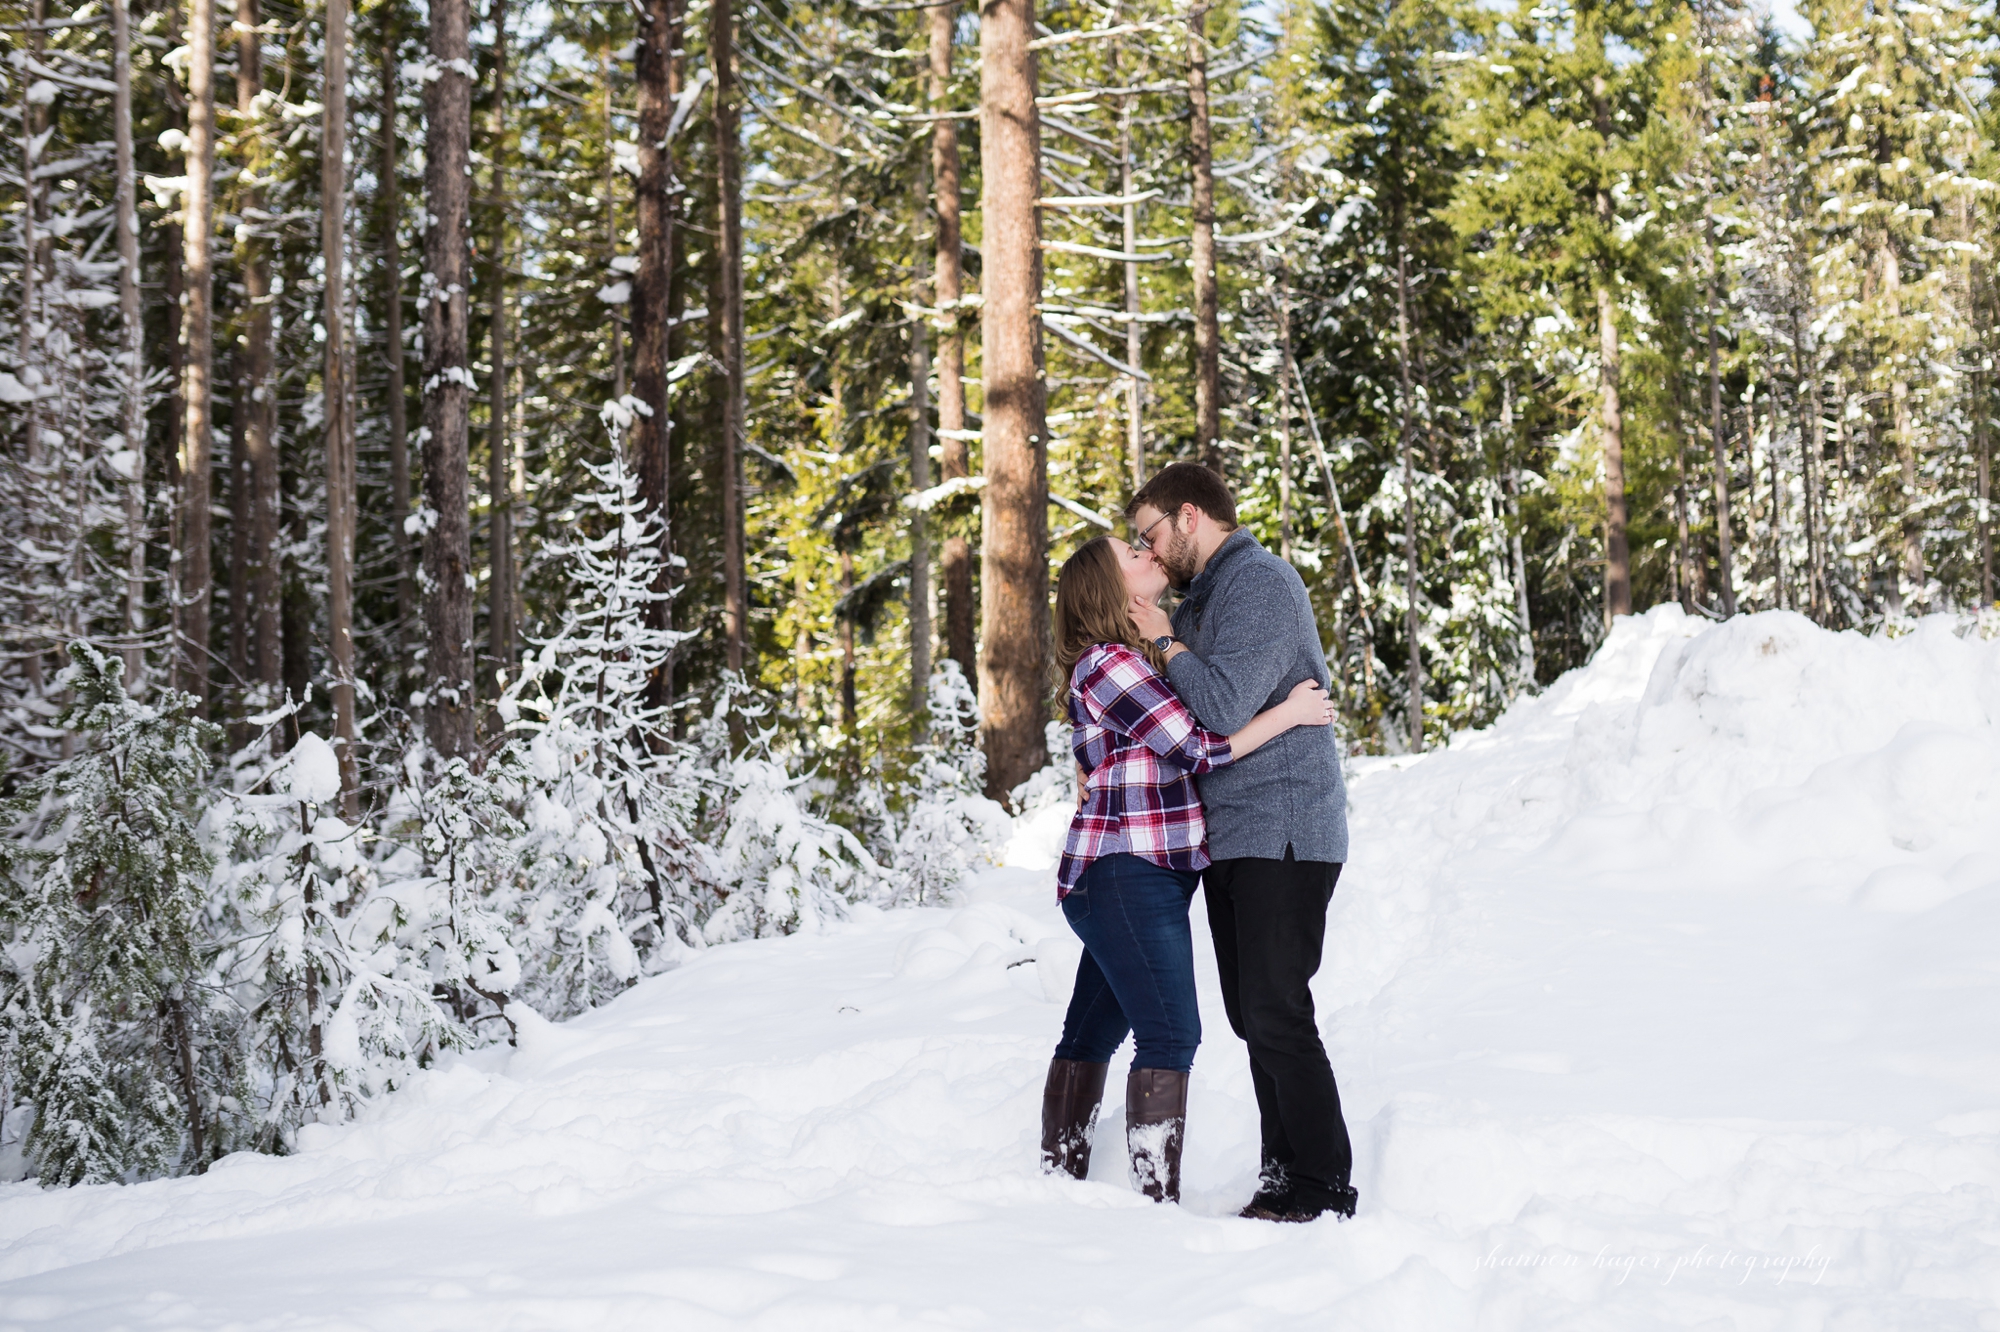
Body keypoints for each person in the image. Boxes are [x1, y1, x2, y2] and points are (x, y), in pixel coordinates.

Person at [1039, 534, 1335, 1206]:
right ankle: (1150, 1200)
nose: (1151, 557)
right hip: (1125, 872)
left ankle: (1059, 1180)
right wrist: (1289, 714)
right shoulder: (1113, 663)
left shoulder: (1124, 661)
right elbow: (1198, 748)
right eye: (1133, 557)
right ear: (1108, 589)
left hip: (1131, 873)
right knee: (1172, 1031)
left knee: (1093, 1028)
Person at [1126, 462, 1358, 1223]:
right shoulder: (1204, 601)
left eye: (1151, 536)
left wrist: (1163, 639)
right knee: (1250, 1012)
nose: (1150, 554)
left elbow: (1221, 707)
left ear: (1189, 517)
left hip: (1285, 826)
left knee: (1275, 1006)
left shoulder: (1259, 582)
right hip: (1233, 834)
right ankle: (1282, 1172)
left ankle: (1324, 1184)